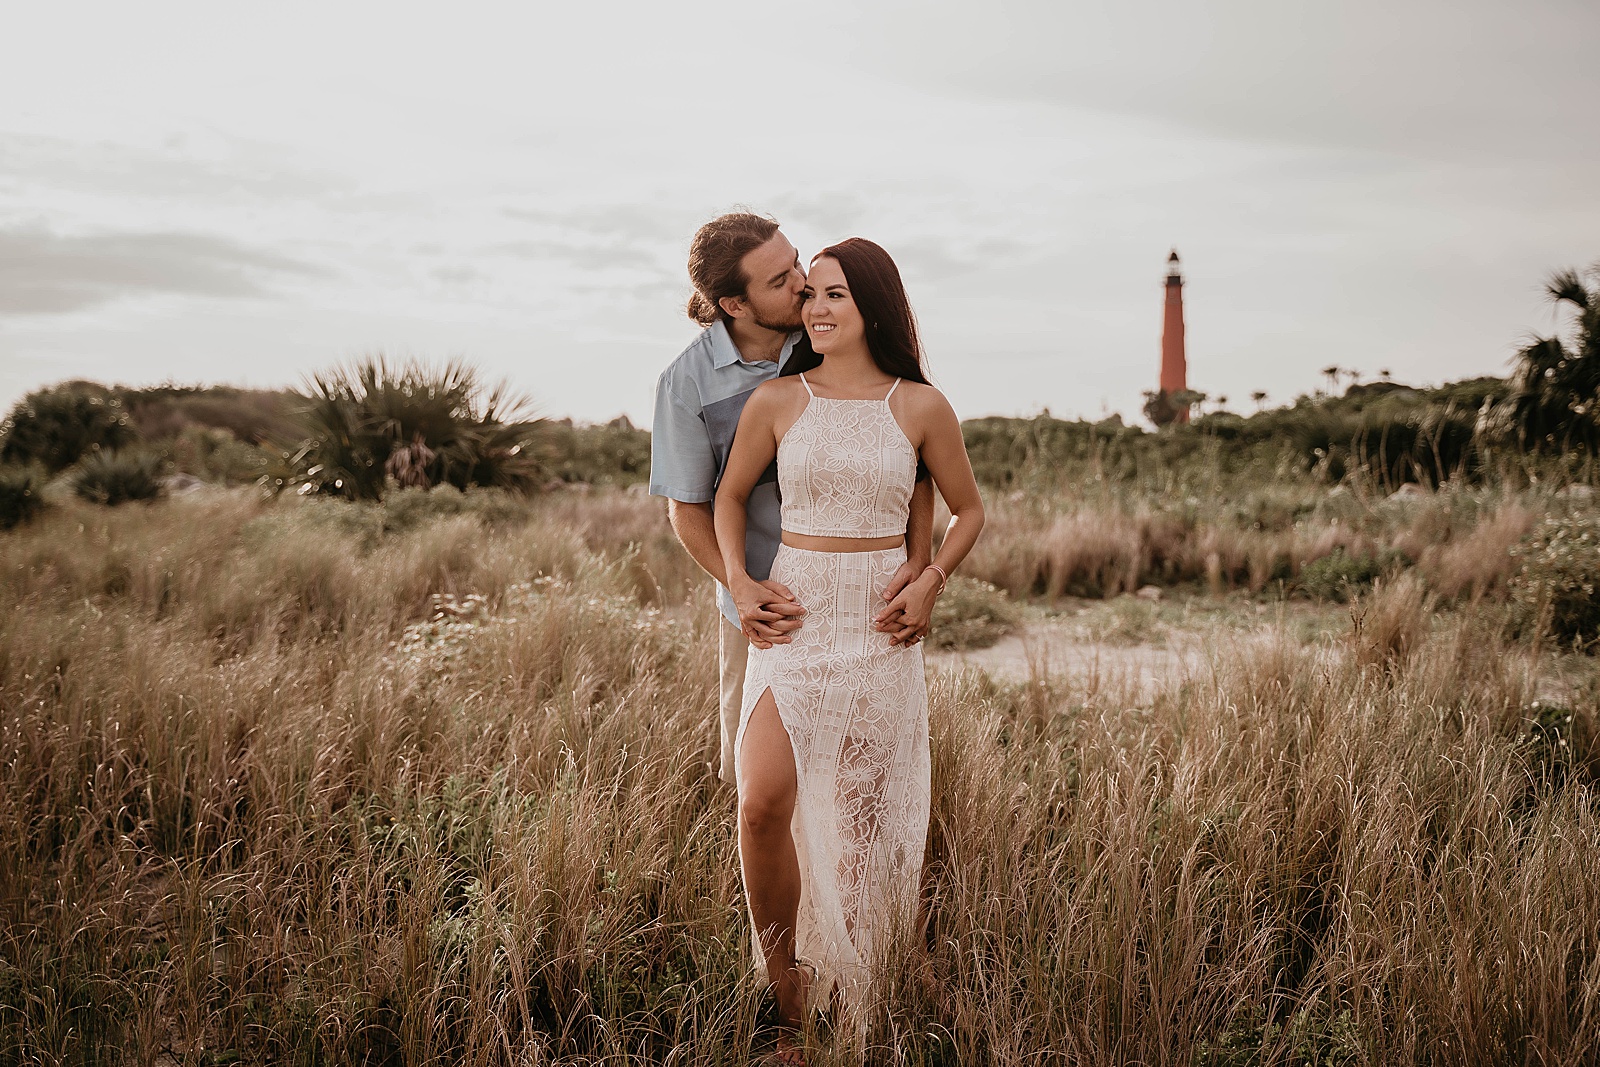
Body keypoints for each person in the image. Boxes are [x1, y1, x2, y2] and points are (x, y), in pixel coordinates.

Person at [714, 238, 986, 1055]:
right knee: (762, 800)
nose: (818, 309)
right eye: (811, 296)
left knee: (864, 828)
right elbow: (728, 498)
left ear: (872, 305)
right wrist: (740, 577)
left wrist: (931, 577)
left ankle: (856, 989)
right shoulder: (778, 399)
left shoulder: (921, 405)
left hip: (876, 629)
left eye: (835, 295)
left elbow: (970, 512)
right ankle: (784, 982)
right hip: (794, 623)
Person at [649, 213, 935, 787]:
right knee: (755, 782)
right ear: (735, 305)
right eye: (780, 281)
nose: (803, 284)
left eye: (796, 261)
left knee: (862, 772)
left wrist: (921, 567)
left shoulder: (832, 331)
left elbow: (915, 458)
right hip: (767, 608)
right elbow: (688, 507)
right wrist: (740, 585)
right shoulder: (687, 384)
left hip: (863, 596)